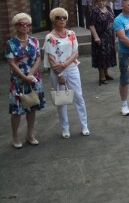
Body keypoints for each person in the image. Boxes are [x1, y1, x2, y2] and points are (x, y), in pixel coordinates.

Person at [43, 8, 89, 139]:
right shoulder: (49, 37)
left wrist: (65, 64)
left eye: (64, 17)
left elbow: (76, 52)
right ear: (53, 19)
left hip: (71, 68)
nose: (62, 20)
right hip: (57, 71)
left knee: (78, 97)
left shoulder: (71, 34)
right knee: (61, 99)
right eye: (59, 17)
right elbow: (51, 57)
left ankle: (84, 125)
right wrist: (59, 74)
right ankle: (65, 128)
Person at [6, 13, 45, 148]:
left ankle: (30, 134)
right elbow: (11, 62)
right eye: (22, 24)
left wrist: (30, 74)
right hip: (18, 80)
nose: (25, 27)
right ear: (16, 25)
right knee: (16, 110)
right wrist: (24, 77)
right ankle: (15, 137)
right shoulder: (11, 43)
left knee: (32, 106)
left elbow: (39, 57)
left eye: (28, 24)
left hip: (33, 78)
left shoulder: (34, 40)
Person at [88, 0, 117, 85]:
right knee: (101, 56)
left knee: (108, 55)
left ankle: (106, 73)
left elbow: (113, 21)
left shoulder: (108, 9)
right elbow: (91, 25)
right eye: (99, 1)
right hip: (100, 37)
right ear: (96, 2)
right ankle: (101, 76)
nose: (102, 2)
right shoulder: (94, 11)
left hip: (109, 37)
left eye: (103, 0)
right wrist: (96, 36)